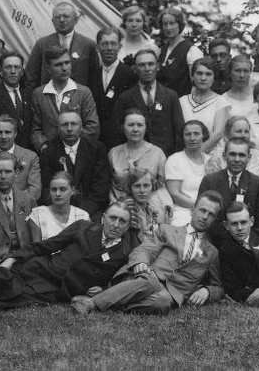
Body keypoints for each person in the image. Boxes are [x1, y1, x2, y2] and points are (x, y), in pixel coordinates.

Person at [0, 202, 137, 315]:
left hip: (59, 287)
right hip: (42, 268)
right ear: (103, 218)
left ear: (128, 226)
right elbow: (47, 245)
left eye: (122, 221)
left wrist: (104, 289)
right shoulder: (84, 227)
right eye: (113, 218)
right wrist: (13, 258)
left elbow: (122, 279)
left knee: (17, 299)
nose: (116, 225)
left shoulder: (125, 251)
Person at [72, 191, 225, 315]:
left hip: (171, 293)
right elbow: (144, 249)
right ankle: (91, 303)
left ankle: (106, 298)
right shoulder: (167, 230)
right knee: (151, 281)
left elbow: (218, 287)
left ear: (215, 219)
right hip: (146, 276)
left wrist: (208, 291)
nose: (205, 217)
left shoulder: (212, 252)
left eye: (211, 214)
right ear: (193, 210)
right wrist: (141, 262)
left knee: (163, 302)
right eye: (202, 210)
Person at [38, 111, 111, 217]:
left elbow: (101, 187)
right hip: (60, 210)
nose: (69, 128)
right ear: (58, 129)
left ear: (81, 128)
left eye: (74, 124)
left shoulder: (96, 149)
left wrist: (81, 213)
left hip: (92, 210)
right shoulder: (49, 153)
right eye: (64, 124)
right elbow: (47, 189)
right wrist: (64, 211)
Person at [198, 137, 259, 241]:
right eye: (232, 154)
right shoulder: (209, 181)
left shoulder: (257, 183)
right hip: (215, 241)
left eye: (241, 155)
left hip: (247, 241)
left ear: (249, 158)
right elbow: (202, 216)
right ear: (224, 156)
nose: (237, 159)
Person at [30, 46, 100, 151]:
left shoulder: (83, 92)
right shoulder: (39, 94)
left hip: (78, 152)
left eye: (67, 63)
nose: (64, 68)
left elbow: (92, 126)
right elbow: (35, 129)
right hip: (50, 153)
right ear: (48, 68)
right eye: (58, 64)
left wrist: (74, 146)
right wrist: (44, 147)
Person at [114, 49, 183, 155]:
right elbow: (118, 131)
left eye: (151, 64)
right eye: (142, 65)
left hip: (165, 155)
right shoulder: (126, 97)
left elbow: (179, 131)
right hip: (135, 156)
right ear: (134, 69)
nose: (147, 69)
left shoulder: (170, 96)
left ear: (157, 67)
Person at [25, 2, 98, 91]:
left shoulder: (89, 45)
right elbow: (31, 78)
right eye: (57, 17)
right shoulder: (41, 44)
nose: (62, 20)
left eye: (66, 16)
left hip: (78, 98)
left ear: (76, 20)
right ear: (53, 21)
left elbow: (95, 80)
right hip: (48, 97)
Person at [89, 27, 137, 150]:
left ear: (119, 47)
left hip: (120, 141)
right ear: (98, 47)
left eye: (113, 43)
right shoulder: (92, 74)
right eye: (105, 44)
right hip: (96, 142)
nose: (109, 48)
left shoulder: (130, 75)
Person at [0, 116, 40, 201]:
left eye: (8, 132)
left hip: (24, 206)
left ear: (15, 134)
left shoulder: (30, 157)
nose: (3, 136)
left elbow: (35, 189)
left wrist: (16, 204)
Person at [108, 109, 167, 202]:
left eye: (140, 125)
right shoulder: (114, 153)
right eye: (130, 125)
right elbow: (107, 186)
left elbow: (162, 189)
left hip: (150, 205)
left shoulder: (157, 153)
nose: (135, 129)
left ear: (146, 128)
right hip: (119, 205)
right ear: (123, 127)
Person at [165, 121, 211, 226]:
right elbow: (174, 194)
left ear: (203, 136)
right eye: (188, 134)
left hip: (208, 211)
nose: (192, 138)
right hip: (183, 211)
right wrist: (199, 207)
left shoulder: (210, 161)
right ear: (183, 137)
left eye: (196, 134)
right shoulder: (175, 159)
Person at [27, 171, 90, 241]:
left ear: (72, 190)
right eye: (54, 190)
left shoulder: (82, 216)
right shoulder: (38, 215)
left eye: (63, 189)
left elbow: (86, 245)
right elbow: (36, 246)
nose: (57, 194)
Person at [156, 7, 202, 96]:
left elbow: (196, 86)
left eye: (172, 23)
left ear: (180, 24)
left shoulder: (191, 51)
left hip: (182, 102)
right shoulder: (161, 51)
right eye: (165, 24)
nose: (168, 27)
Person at [178, 58, 224, 142]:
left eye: (208, 74)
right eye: (199, 73)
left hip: (212, 150)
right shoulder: (182, 101)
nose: (203, 78)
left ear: (214, 78)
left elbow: (217, 134)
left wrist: (199, 151)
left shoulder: (221, 101)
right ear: (192, 76)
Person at [125, 168, 175, 241]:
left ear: (152, 186)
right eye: (137, 186)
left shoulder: (149, 207)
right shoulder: (128, 208)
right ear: (130, 188)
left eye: (146, 186)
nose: (142, 190)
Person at [213, 55, 255, 136]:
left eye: (246, 71)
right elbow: (220, 132)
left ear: (250, 73)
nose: (242, 75)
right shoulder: (223, 100)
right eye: (237, 71)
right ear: (230, 72)